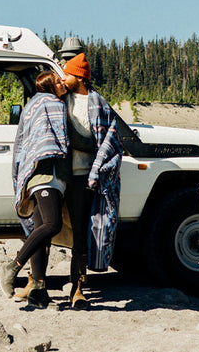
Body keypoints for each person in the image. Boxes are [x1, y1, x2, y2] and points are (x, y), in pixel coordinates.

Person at [0, 70, 70, 309]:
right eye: (58, 81)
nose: (63, 84)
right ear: (49, 85)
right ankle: (13, 266)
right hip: (45, 173)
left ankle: (39, 290)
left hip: (41, 174)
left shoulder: (32, 106)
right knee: (53, 225)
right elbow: (50, 138)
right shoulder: (51, 104)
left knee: (40, 230)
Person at [61, 52, 124, 310]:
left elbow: (111, 140)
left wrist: (97, 170)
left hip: (84, 179)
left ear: (79, 77)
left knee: (79, 232)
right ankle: (36, 282)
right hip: (60, 175)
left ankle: (78, 287)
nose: (63, 78)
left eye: (67, 73)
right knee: (45, 225)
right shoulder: (59, 99)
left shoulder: (98, 104)